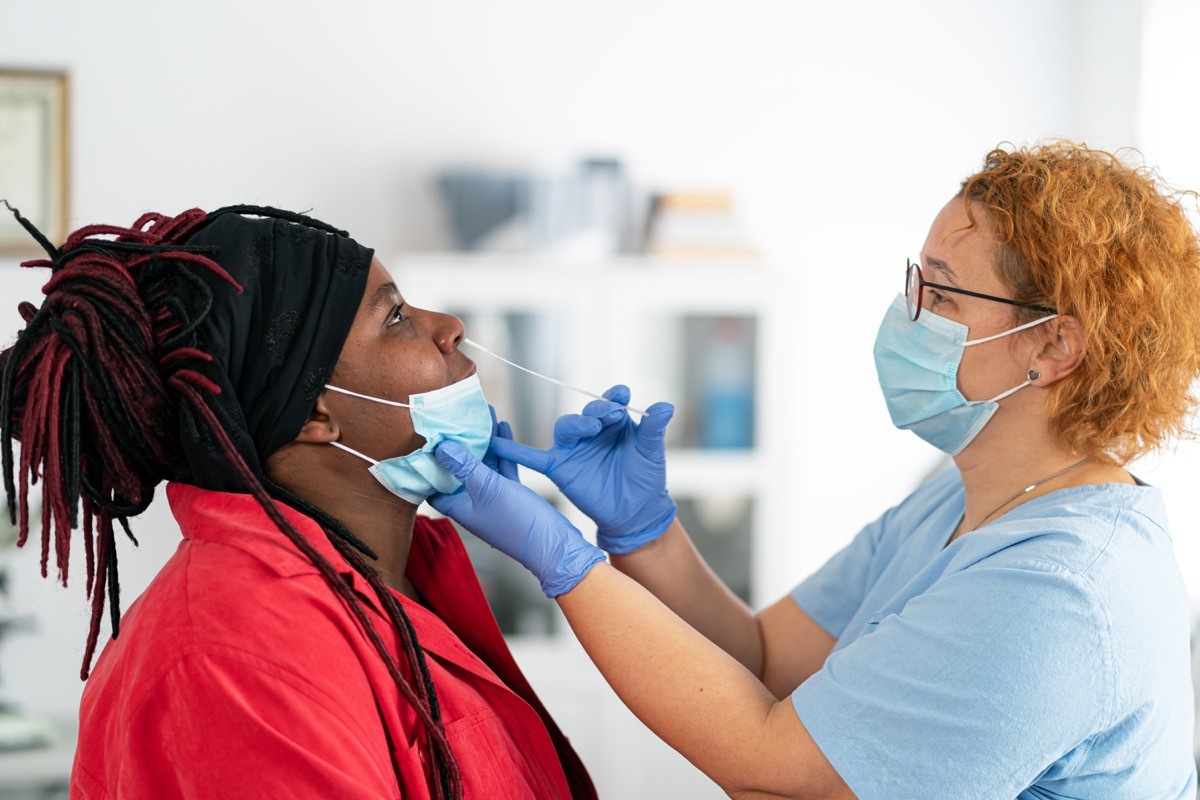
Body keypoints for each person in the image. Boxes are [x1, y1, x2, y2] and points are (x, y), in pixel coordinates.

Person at [427, 141, 1200, 799]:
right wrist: (646, 536)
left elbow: (775, 774)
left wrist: (563, 560)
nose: (908, 312)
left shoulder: (1066, 592)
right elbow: (765, 662)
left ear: (1054, 348)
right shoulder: (955, 503)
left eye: (943, 292)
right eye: (914, 279)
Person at [0, 202, 596, 799]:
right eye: (394, 317)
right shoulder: (232, 656)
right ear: (315, 411)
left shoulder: (404, 577)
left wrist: (640, 546)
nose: (448, 325)